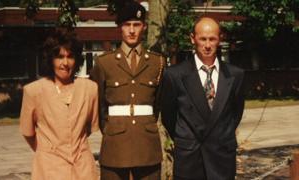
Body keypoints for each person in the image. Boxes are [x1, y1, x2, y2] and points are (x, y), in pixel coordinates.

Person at [160, 16, 245, 180]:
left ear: (220, 39)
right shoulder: (174, 75)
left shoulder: (235, 75)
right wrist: (186, 139)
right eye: (202, 39)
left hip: (222, 158)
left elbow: (235, 114)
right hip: (190, 159)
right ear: (192, 39)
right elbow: (169, 117)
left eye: (212, 39)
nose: (207, 45)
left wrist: (220, 136)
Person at [90, 1, 165, 179]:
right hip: (115, 144)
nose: (132, 30)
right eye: (127, 25)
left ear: (144, 27)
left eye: (137, 25)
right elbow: (100, 106)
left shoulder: (158, 62)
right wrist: (111, 129)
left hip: (147, 145)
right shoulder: (104, 63)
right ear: (120, 27)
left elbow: (158, 103)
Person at [19, 30, 99, 180]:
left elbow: (89, 128)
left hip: (82, 168)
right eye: (59, 57)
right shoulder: (34, 91)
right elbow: (28, 133)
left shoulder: (90, 89)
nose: (65, 63)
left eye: (70, 56)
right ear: (50, 59)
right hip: (49, 169)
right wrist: (48, 152)